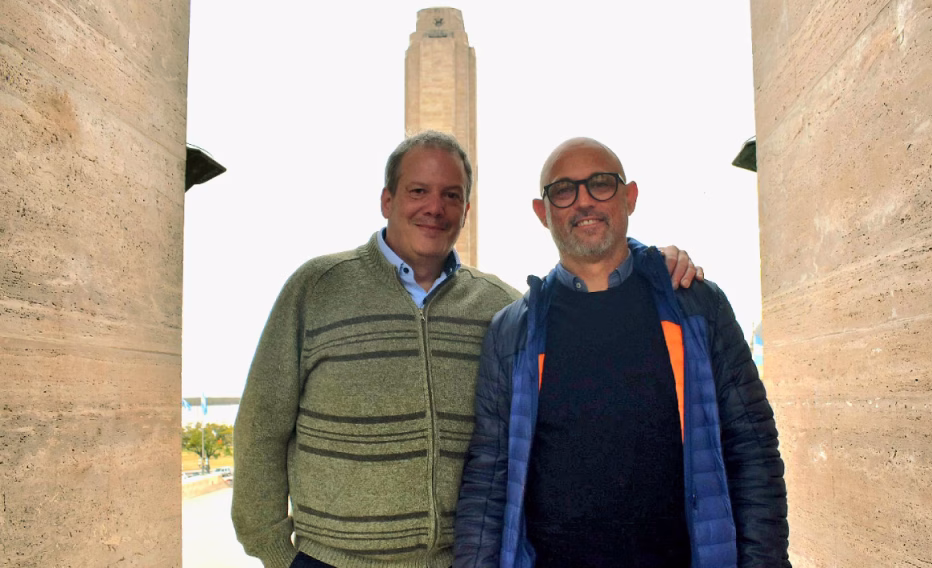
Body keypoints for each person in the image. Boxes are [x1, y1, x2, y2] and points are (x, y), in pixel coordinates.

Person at [231, 131, 703, 568]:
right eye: (418, 191)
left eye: (450, 195)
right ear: (386, 200)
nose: (434, 207)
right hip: (329, 562)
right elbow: (260, 427)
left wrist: (651, 266)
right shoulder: (317, 288)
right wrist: (278, 552)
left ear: (466, 209)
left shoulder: (502, 309)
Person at [455, 137, 790, 568]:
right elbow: (489, 477)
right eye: (563, 190)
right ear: (543, 213)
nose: (584, 201)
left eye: (601, 184)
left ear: (629, 197)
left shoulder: (695, 306)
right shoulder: (513, 332)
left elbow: (753, 450)